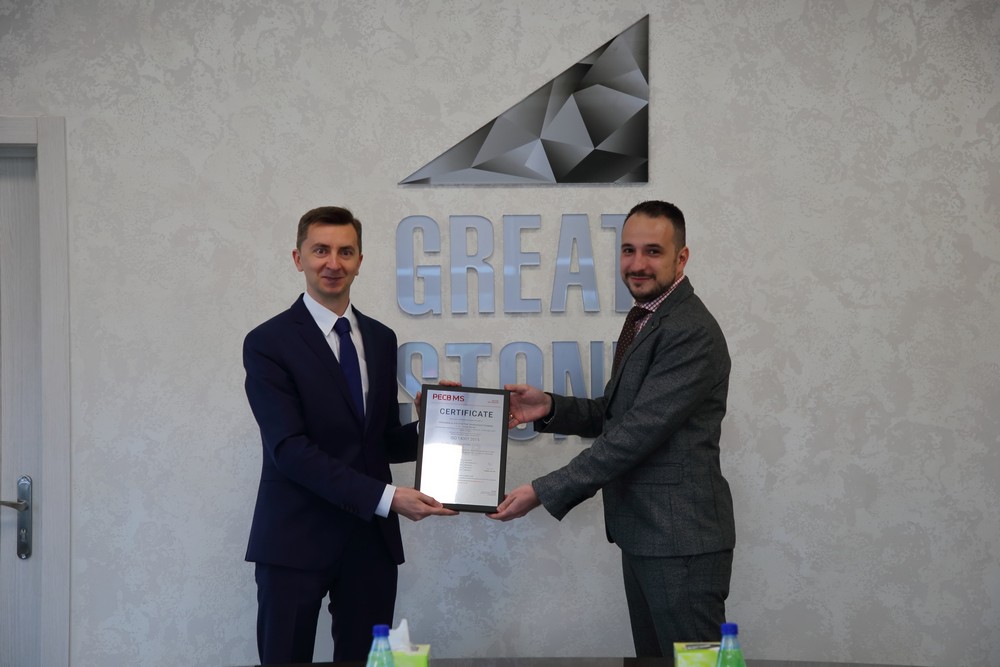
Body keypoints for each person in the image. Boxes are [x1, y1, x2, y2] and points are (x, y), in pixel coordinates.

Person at [489, 200, 735, 657]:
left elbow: (634, 435)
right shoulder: (648, 318)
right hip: (649, 535)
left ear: (681, 258)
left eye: (653, 252)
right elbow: (618, 414)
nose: (637, 264)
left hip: (680, 541)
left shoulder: (689, 330)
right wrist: (549, 407)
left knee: (695, 664)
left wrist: (543, 490)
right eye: (628, 250)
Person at [243, 206, 457, 664]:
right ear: (298, 258)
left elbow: (378, 441)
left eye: (345, 252)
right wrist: (388, 498)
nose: (333, 263)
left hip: (369, 543)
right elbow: (289, 450)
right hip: (295, 538)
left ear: (360, 260)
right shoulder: (267, 343)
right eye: (320, 250)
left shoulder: (380, 338)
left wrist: (435, 423)